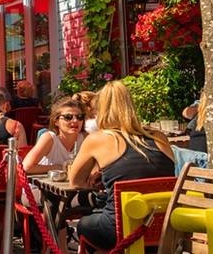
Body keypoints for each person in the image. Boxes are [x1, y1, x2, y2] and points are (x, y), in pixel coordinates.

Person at [70, 81, 175, 252]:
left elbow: (75, 182)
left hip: (120, 230)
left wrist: (101, 180)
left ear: (100, 110)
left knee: (84, 223)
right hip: (163, 228)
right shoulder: (159, 137)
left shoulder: (97, 139)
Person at [23, 97, 87, 174]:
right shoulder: (49, 138)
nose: (75, 120)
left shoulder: (86, 138)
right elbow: (26, 167)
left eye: (79, 117)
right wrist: (60, 167)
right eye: (68, 117)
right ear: (56, 121)